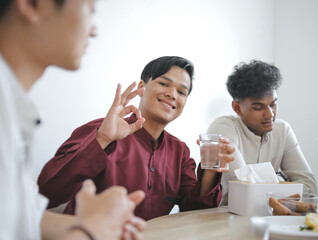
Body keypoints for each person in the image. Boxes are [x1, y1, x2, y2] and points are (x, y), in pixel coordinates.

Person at [0, 0, 146, 239]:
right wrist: (90, 231)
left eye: (182, 91)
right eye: (90, 10)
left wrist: (97, 222)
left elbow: (23, 215)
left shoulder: (14, 106)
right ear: (32, 5)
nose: (94, 30)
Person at [38, 56, 235, 221]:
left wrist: (210, 169)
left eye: (182, 92)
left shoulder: (180, 151)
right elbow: (47, 193)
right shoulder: (101, 130)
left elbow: (194, 213)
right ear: (142, 86)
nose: (172, 94)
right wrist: (102, 139)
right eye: (164, 83)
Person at [206, 60, 318, 205]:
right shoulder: (223, 128)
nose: (270, 114)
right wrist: (282, 182)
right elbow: (245, 186)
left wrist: (270, 183)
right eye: (258, 107)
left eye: (273, 104)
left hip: (270, 217)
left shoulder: (283, 129)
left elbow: (310, 187)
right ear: (237, 108)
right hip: (224, 218)